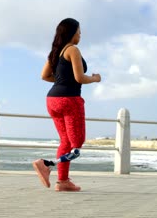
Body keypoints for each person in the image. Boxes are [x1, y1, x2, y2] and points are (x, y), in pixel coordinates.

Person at [33, 18, 101, 192]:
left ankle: (63, 182)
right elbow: (80, 78)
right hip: (69, 100)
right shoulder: (73, 50)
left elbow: (45, 76)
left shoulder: (55, 52)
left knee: (65, 141)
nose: (80, 34)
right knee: (76, 144)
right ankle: (46, 164)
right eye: (79, 31)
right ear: (71, 32)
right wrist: (95, 79)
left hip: (52, 100)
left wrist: (63, 80)